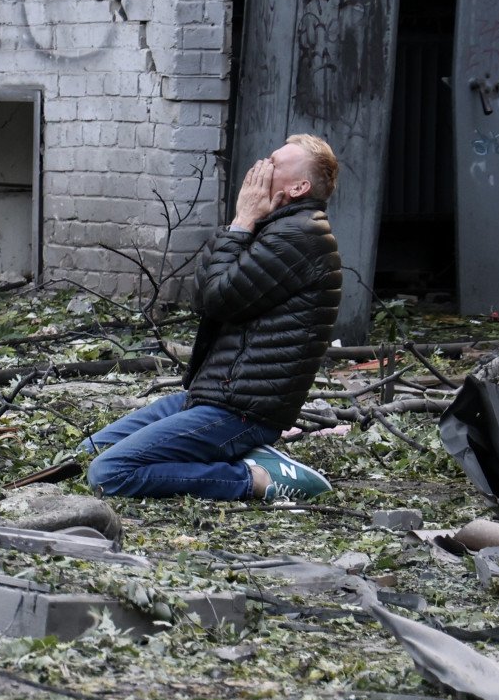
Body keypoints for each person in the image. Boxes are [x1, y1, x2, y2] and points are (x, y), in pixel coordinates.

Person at [84, 134, 343, 502]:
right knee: (85, 454)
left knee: (109, 473)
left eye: (275, 163)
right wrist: (242, 224)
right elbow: (203, 296)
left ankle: (255, 477)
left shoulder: (302, 237)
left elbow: (219, 298)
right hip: (213, 396)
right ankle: (234, 454)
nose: (261, 168)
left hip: (242, 412)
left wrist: (241, 223)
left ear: (299, 187)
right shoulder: (272, 228)